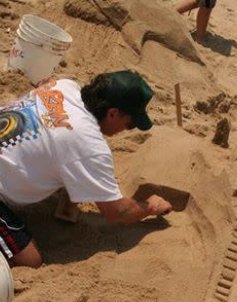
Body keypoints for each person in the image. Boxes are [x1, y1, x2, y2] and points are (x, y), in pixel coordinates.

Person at [0, 70, 173, 268]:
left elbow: (45, 90)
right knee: (30, 260)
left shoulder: (64, 86)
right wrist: (149, 207)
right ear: (113, 113)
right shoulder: (90, 147)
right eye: (129, 124)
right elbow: (117, 213)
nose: (126, 129)